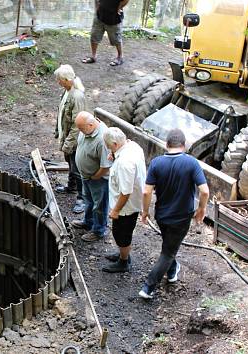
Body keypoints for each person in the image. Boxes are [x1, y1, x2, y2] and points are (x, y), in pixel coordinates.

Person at [139, 129, 210, 298]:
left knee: (169, 245)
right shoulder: (192, 163)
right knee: (168, 252)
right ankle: (148, 287)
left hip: (162, 216)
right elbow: (205, 191)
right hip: (181, 218)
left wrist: (145, 211)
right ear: (184, 146)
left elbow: (146, 192)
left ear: (167, 144)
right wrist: (201, 209)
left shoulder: (156, 163)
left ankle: (172, 272)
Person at [101, 127, 146, 273]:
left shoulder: (124, 163)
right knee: (121, 233)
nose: (107, 148)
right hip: (129, 203)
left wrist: (115, 210)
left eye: (109, 146)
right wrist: (114, 154)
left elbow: (126, 192)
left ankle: (124, 262)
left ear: (115, 143)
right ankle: (122, 253)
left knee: (121, 234)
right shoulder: (133, 146)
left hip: (126, 208)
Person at [72, 112, 112, 242]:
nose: (80, 131)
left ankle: (98, 230)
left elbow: (106, 166)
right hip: (87, 176)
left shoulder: (102, 139)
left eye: (82, 128)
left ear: (90, 124)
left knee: (99, 205)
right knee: (88, 201)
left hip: (98, 179)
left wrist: (95, 177)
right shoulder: (86, 130)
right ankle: (88, 222)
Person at [53, 64, 87, 214]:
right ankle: (71, 186)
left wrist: (69, 143)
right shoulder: (67, 92)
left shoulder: (77, 96)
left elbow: (76, 124)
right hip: (66, 137)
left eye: (59, 79)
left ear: (67, 80)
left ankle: (82, 198)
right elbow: (62, 114)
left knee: (77, 168)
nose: (58, 82)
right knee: (70, 164)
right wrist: (58, 131)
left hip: (74, 140)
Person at [82, 0, 130, 66]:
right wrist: (97, 7)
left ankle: (120, 57)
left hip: (114, 18)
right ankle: (93, 56)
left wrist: (119, 7)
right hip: (100, 15)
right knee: (94, 36)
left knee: (116, 39)